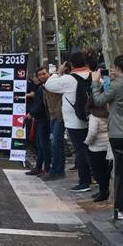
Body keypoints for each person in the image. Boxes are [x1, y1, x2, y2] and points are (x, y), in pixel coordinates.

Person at [90, 56, 123, 202]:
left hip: (119, 133)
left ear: (118, 68)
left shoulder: (116, 85)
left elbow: (99, 100)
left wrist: (95, 83)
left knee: (121, 171)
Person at [43, 52, 93, 191]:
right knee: (91, 150)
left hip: (75, 120)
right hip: (92, 118)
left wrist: (58, 72)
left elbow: (49, 85)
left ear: (70, 64)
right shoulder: (94, 76)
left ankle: (84, 182)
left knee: (80, 150)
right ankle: (93, 177)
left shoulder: (68, 79)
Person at [25, 66, 51, 176]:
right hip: (41, 119)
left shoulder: (44, 87)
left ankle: (47, 168)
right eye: (38, 75)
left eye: (43, 74)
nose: (40, 77)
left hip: (44, 119)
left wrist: (31, 114)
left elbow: (40, 105)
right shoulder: (41, 87)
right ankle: (39, 167)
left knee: (44, 145)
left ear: (48, 73)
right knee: (40, 144)